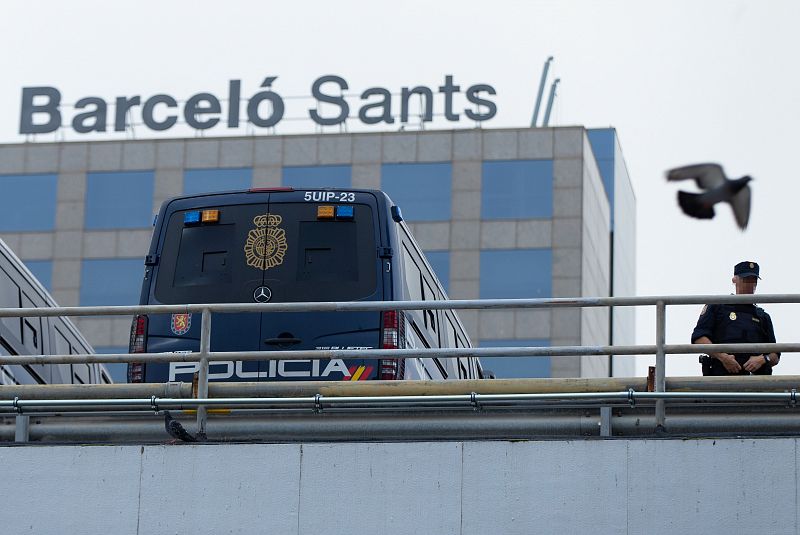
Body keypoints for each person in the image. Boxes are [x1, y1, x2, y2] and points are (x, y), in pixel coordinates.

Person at [692, 261, 780, 375]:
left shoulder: (762, 316)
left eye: (754, 280)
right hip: (721, 379)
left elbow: (775, 355)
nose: (750, 284)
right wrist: (723, 357)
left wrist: (762, 359)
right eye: (746, 279)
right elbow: (699, 338)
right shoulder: (717, 306)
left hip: (756, 383)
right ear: (735, 280)